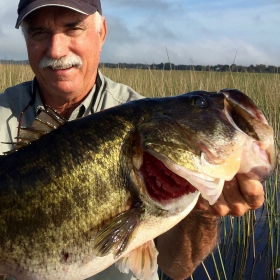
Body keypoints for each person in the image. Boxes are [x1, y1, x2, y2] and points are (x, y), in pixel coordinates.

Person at [0, 0, 265, 279]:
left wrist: (204, 212)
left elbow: (178, 268)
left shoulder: (137, 111)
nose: (55, 49)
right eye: (38, 32)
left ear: (102, 32)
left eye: (73, 28)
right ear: (26, 39)